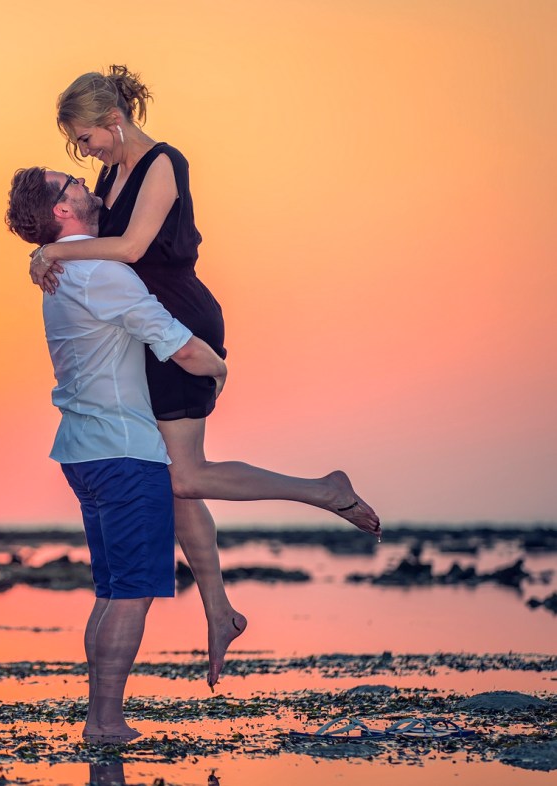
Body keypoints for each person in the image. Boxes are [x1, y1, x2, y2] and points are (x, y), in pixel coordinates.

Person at [30, 66, 382, 689]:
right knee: (175, 481)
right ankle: (219, 609)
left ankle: (324, 490)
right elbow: (102, 249)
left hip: (180, 324)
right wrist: (50, 250)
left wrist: (53, 251)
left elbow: (134, 249)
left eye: (84, 139)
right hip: (149, 327)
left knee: (186, 475)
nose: (84, 153)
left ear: (111, 121)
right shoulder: (111, 174)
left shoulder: (163, 163)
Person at [5, 166, 228, 743]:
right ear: (61, 210)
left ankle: (100, 716)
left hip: (86, 454)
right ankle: (104, 723)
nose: (83, 182)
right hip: (126, 454)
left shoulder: (61, 270)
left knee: (110, 592)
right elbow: (176, 342)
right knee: (131, 595)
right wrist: (218, 367)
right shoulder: (99, 272)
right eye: (70, 183)